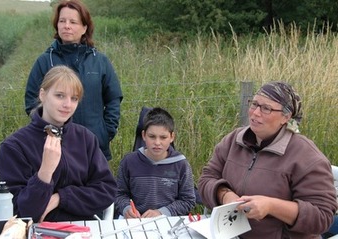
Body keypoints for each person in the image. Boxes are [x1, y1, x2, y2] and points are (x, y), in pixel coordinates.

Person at [198, 81, 338, 238]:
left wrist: (271, 206)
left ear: (286, 117)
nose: (255, 113)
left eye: (266, 108)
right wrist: (225, 195)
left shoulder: (307, 157)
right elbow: (207, 179)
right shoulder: (233, 141)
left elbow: (322, 217)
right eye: (254, 104)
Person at [0, 65, 117, 223]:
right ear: (43, 95)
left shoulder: (85, 138)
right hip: (37, 230)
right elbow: (22, 213)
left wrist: (61, 198)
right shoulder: (15, 146)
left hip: (84, 229)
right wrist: (45, 173)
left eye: (74, 98)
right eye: (60, 96)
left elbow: (107, 190)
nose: (67, 104)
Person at [24, 0, 123, 161]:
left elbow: (113, 98)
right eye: (62, 21)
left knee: (97, 186)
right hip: (56, 148)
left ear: (84, 27)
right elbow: (31, 102)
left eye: (73, 22)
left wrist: (106, 132)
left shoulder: (100, 61)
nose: (66, 26)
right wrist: (49, 131)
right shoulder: (44, 61)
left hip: (95, 146)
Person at [115, 107, 196, 218]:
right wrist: (126, 208)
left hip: (168, 221)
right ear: (143, 135)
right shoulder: (129, 161)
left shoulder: (181, 164)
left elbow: (188, 200)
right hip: (136, 221)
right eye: (152, 136)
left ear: (172, 137)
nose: (157, 142)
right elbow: (119, 194)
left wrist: (161, 212)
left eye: (163, 137)